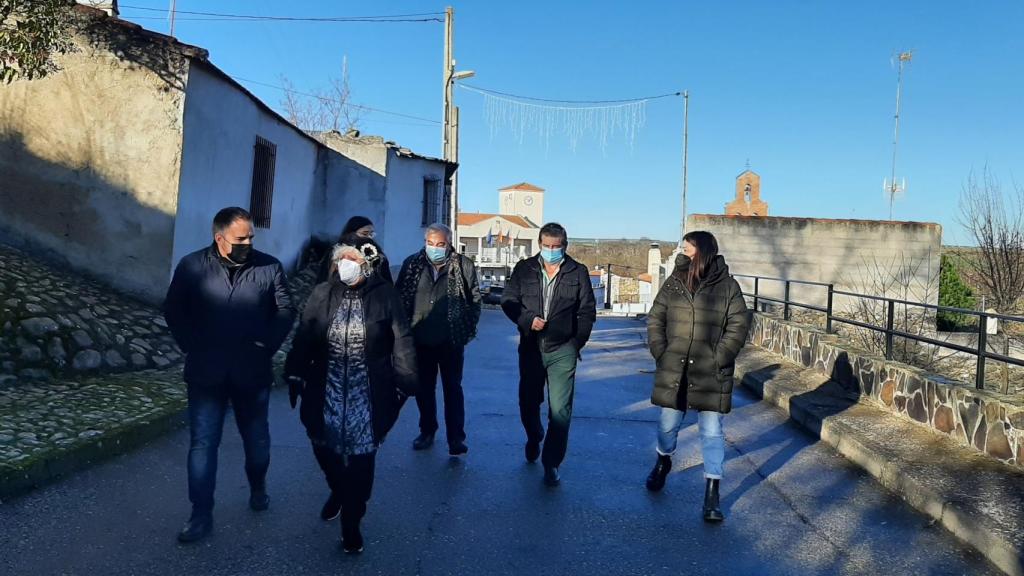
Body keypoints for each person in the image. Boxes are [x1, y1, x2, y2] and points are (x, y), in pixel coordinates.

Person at [163, 207, 295, 543]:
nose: (248, 242)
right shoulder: (192, 266)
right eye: (241, 238)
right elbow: (174, 309)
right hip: (206, 372)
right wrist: (191, 344)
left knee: (257, 441)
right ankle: (200, 515)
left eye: (251, 236)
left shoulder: (269, 267)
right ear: (219, 238)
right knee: (203, 444)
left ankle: (257, 486)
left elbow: (285, 309)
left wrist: (266, 343)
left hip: (252, 371)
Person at [285, 239, 418, 554]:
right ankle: (339, 490)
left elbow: (402, 338)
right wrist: (295, 371)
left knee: (361, 458)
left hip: (368, 391)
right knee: (323, 447)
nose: (345, 264)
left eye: (352, 259)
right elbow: (305, 335)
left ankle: (352, 521)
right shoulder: (321, 294)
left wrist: (406, 380)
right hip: (326, 386)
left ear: (365, 263)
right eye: (341, 259)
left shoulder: (385, 296)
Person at [645, 231, 750, 523]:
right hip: (674, 366)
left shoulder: (727, 286)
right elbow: (656, 318)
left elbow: (739, 323)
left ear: (701, 250)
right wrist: (660, 351)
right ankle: (663, 462)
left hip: (711, 371)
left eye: (688, 247)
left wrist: (720, 357)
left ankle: (712, 493)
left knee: (712, 433)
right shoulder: (675, 282)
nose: (683, 251)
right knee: (668, 426)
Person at [501, 223, 596, 487]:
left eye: (557, 247)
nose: (552, 251)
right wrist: (527, 319)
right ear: (540, 244)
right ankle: (533, 436)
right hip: (531, 347)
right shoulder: (525, 269)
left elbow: (587, 311)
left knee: (561, 410)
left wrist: (576, 343)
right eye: (547, 246)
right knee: (528, 402)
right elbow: (508, 300)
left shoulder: (578, 272)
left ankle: (552, 462)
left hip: (563, 350)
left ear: (565, 245)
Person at [396, 223, 481, 456]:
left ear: (449, 243)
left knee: (453, 388)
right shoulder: (412, 264)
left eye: (440, 244)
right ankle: (427, 431)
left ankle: (456, 438)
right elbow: (399, 297)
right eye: (430, 243)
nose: (435, 248)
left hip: (451, 340)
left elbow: (474, 299)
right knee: (424, 389)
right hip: (419, 338)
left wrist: (466, 327)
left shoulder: (463, 265)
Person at [318, 216, 393, 284]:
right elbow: (324, 278)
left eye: (371, 234)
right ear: (351, 233)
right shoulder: (335, 253)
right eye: (364, 234)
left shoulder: (377, 255)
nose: (369, 237)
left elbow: (387, 283)